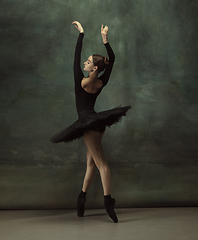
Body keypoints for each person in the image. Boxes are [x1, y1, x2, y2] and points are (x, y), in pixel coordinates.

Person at [50, 21, 131, 223]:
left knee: (101, 164)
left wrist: (81, 34)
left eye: (88, 62)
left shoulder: (81, 80)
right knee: (91, 164)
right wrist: (105, 41)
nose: (84, 63)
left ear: (94, 67)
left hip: (88, 124)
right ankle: (82, 196)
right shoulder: (101, 82)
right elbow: (111, 60)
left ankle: (108, 201)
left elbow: (74, 59)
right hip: (97, 123)